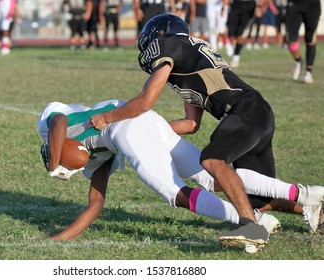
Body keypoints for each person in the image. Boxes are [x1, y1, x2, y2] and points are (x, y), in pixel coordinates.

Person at [89, 14, 324, 242]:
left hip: (244, 111)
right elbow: (191, 124)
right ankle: (316, 207)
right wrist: (152, 130)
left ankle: (250, 227)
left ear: (160, 35)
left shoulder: (168, 45)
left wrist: (108, 118)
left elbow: (145, 100)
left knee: (212, 160)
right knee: (257, 199)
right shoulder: (188, 59)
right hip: (257, 112)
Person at [38, 100, 324, 251]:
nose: (73, 168)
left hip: (129, 128)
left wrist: (53, 165)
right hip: (148, 122)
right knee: (212, 178)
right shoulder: (96, 156)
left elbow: (57, 121)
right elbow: (95, 206)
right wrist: (59, 239)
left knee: (174, 193)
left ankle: (252, 220)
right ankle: (304, 195)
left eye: (66, 163)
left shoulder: (65, 124)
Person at [286, 0, 321, 84]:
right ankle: (298, 60)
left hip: (312, 4)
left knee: (310, 38)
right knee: (291, 39)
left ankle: (308, 72)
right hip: (295, 4)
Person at [224, 0, 263, 67]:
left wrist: (259, 6)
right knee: (230, 34)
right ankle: (231, 48)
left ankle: (236, 58)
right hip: (235, 6)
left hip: (249, 7)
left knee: (241, 34)